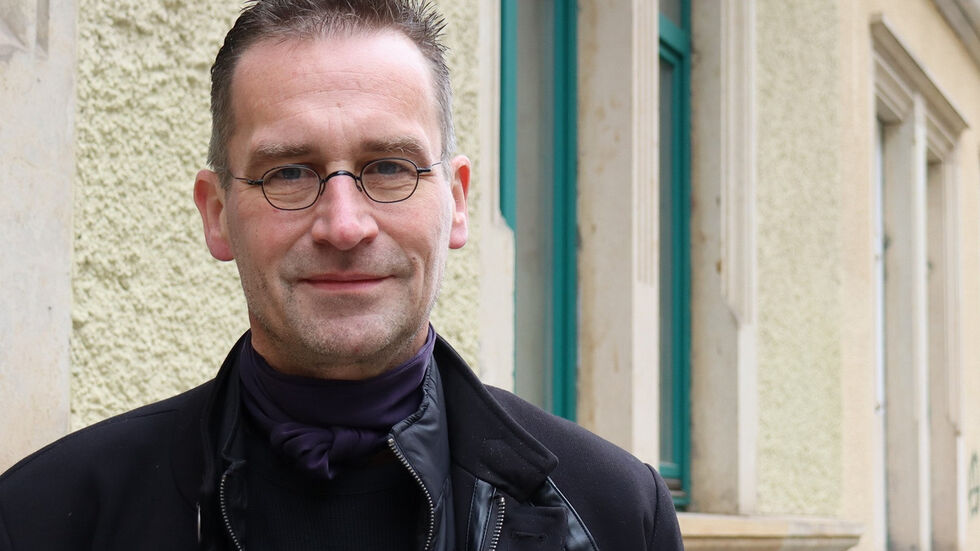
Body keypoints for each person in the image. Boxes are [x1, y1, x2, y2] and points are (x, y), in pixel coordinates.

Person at [0, 1, 684, 549]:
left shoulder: (616, 516)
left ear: (457, 203)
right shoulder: (44, 518)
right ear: (217, 214)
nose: (344, 225)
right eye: (288, 172)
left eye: (388, 167)